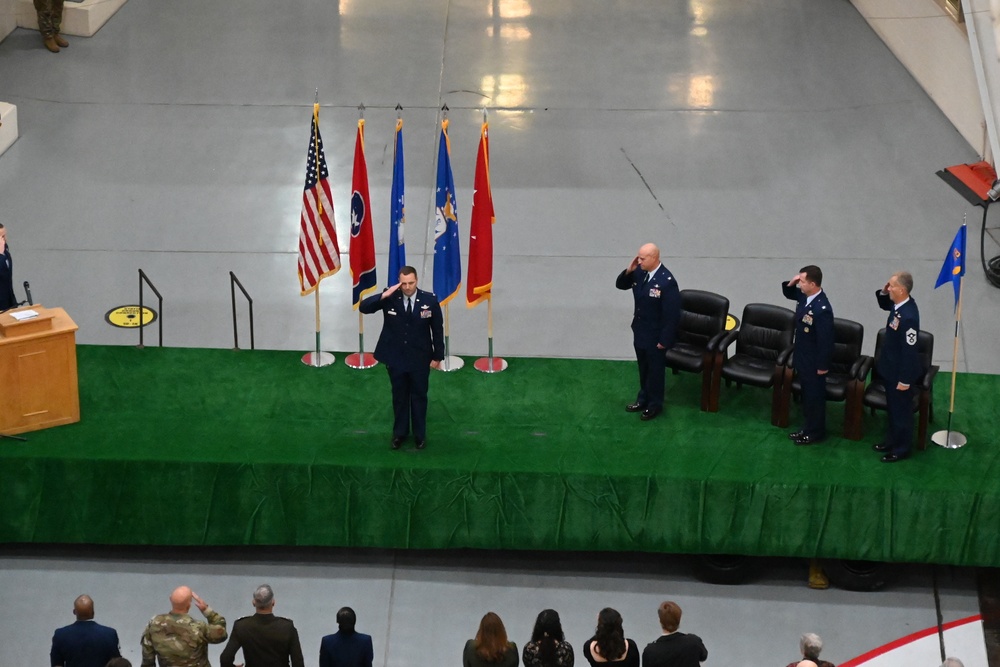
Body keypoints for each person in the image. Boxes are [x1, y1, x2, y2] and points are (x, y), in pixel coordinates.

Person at [359, 266, 444, 450]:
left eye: (410, 283)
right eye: (403, 283)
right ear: (399, 281)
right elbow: (364, 308)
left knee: (419, 397)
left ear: (416, 281)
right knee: (399, 397)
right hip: (395, 358)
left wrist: (438, 356)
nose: (407, 287)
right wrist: (383, 295)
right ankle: (400, 433)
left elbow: (437, 330)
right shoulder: (391, 298)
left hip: (420, 359)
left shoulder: (429, 300)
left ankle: (420, 435)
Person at [615, 243, 681, 421]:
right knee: (643, 368)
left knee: (656, 371)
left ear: (654, 258)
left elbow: (672, 315)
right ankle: (643, 399)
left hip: (656, 336)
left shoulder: (667, 282)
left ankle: (654, 405)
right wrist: (629, 270)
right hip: (640, 330)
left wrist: (664, 340)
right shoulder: (639, 272)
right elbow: (620, 285)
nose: (639, 261)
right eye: (638, 257)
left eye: (643, 258)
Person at [782, 266, 834, 445]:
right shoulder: (805, 297)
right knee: (807, 396)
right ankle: (807, 427)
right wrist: (793, 282)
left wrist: (822, 366)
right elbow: (788, 292)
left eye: (802, 282)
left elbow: (825, 341)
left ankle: (815, 432)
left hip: (814, 364)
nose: (799, 284)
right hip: (803, 358)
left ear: (813, 284)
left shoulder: (822, 308)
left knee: (815, 399)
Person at [872, 272, 921, 462]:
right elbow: (884, 304)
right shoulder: (899, 305)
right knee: (892, 409)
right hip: (890, 369)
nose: (888, 287)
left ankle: (901, 448)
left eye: (891, 286)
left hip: (901, 374)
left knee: (901, 413)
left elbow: (909, 351)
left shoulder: (909, 317)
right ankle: (891, 440)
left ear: (901, 290)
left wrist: (905, 380)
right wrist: (885, 292)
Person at [140, 586, 227, 667]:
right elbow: (221, 634)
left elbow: (148, 660)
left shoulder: (154, 624)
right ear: (189, 605)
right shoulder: (199, 627)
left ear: (170, 599)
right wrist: (207, 611)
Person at [220, 584, 304, 667]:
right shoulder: (287, 627)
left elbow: (225, 659)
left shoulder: (241, 626)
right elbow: (298, 662)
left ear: (254, 602)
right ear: (273, 602)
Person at [50, 594, 122, 667]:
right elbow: (117, 663)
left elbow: (57, 664)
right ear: (93, 613)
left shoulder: (61, 635)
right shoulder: (109, 634)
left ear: (74, 612)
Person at [640, 601, 706, 667]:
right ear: (679, 619)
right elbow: (703, 657)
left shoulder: (650, 651)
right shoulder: (693, 641)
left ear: (660, 620)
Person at [0, 223, 17, 311]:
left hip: (8, 303)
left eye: (5, 235)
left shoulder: (5, 250)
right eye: (2, 237)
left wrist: (13, 303)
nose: (5, 239)